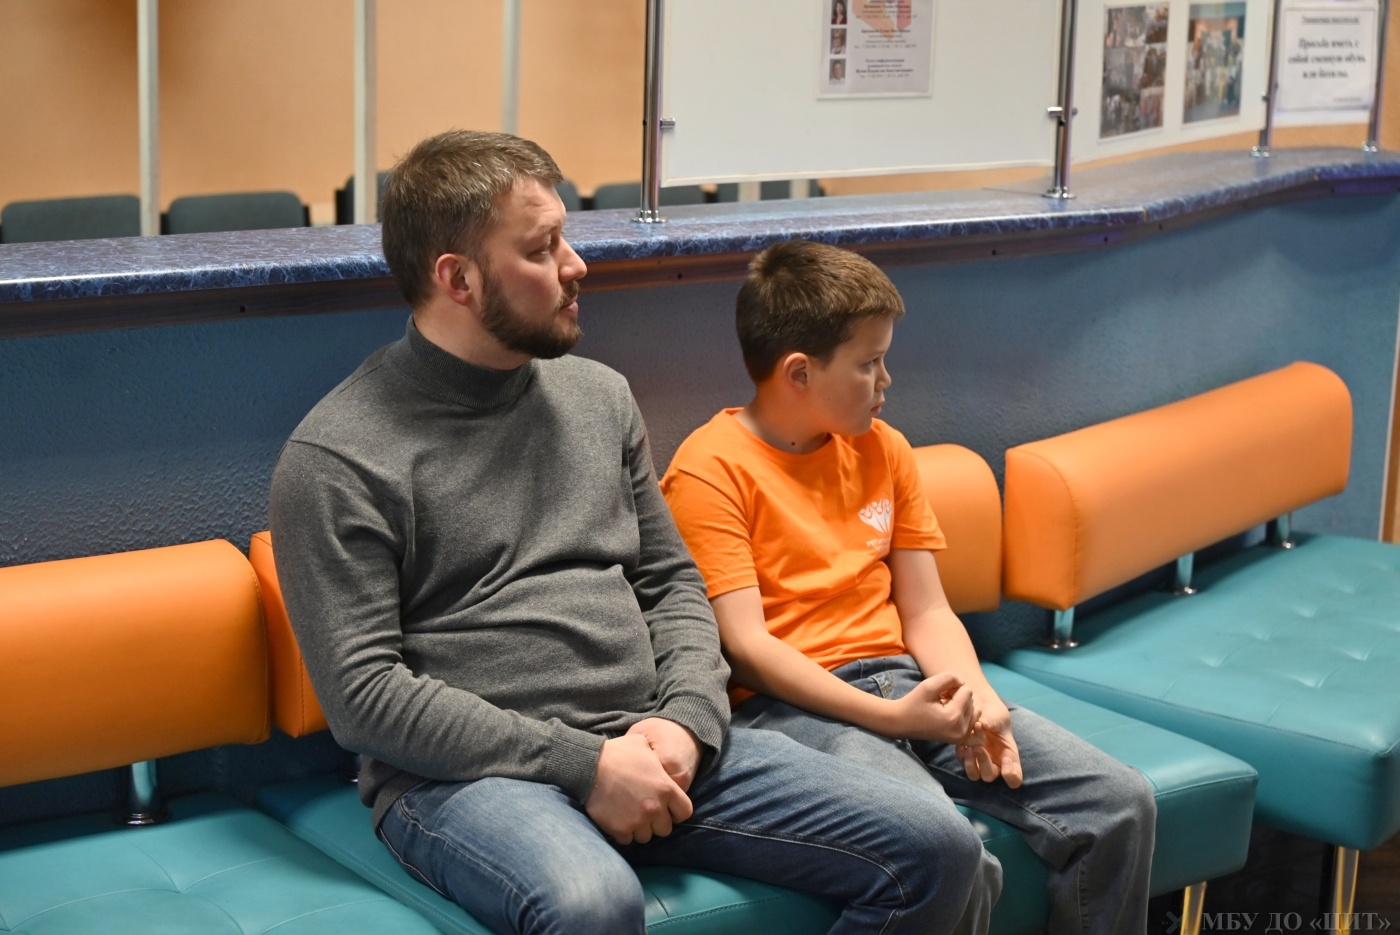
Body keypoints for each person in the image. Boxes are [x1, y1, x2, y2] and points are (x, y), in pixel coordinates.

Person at [268, 132, 986, 935]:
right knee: (593, 904)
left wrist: (687, 719)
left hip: (650, 731)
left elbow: (672, 583)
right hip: (466, 776)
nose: (576, 264)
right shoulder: (339, 455)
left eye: (565, 237)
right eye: (542, 248)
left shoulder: (598, 397)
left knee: (938, 845)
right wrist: (586, 764)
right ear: (457, 279)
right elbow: (365, 698)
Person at [660, 240, 1158, 935]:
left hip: (907, 681)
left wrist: (977, 696)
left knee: (1122, 803)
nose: (886, 379)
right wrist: (893, 720)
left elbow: (927, 609)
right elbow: (745, 646)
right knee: (959, 858)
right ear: (799, 371)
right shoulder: (709, 469)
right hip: (793, 710)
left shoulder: (882, 447)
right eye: (869, 363)